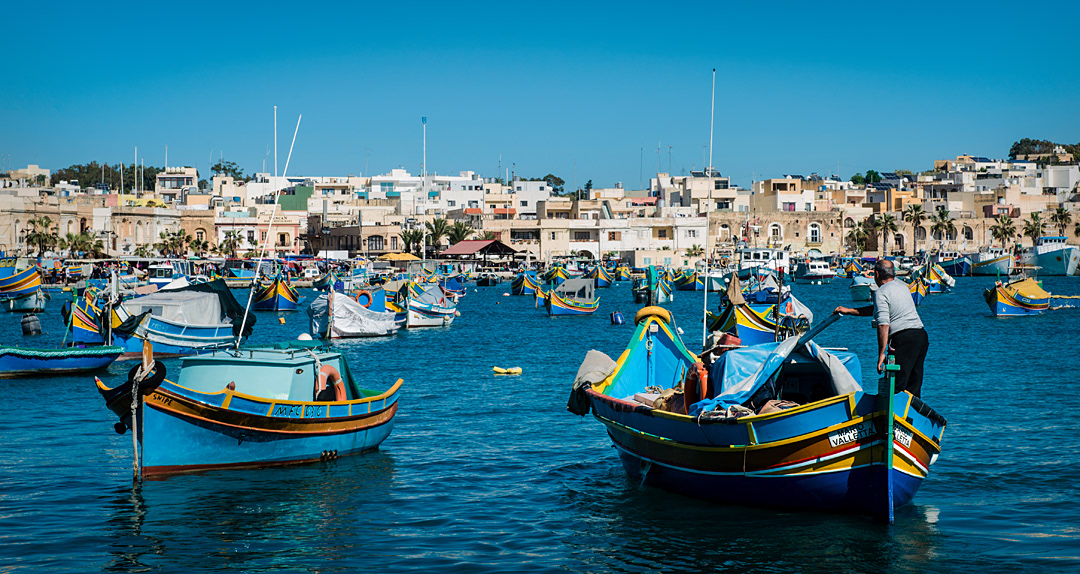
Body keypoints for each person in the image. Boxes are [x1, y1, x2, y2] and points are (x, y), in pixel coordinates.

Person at [833, 259, 929, 397]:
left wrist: (881, 354)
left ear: (876, 274)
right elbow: (878, 309)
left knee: (896, 386)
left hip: (903, 339)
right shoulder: (902, 286)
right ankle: (911, 415)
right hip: (920, 336)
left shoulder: (881, 293)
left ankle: (890, 415)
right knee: (913, 386)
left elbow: (883, 324)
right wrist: (849, 311)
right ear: (893, 273)